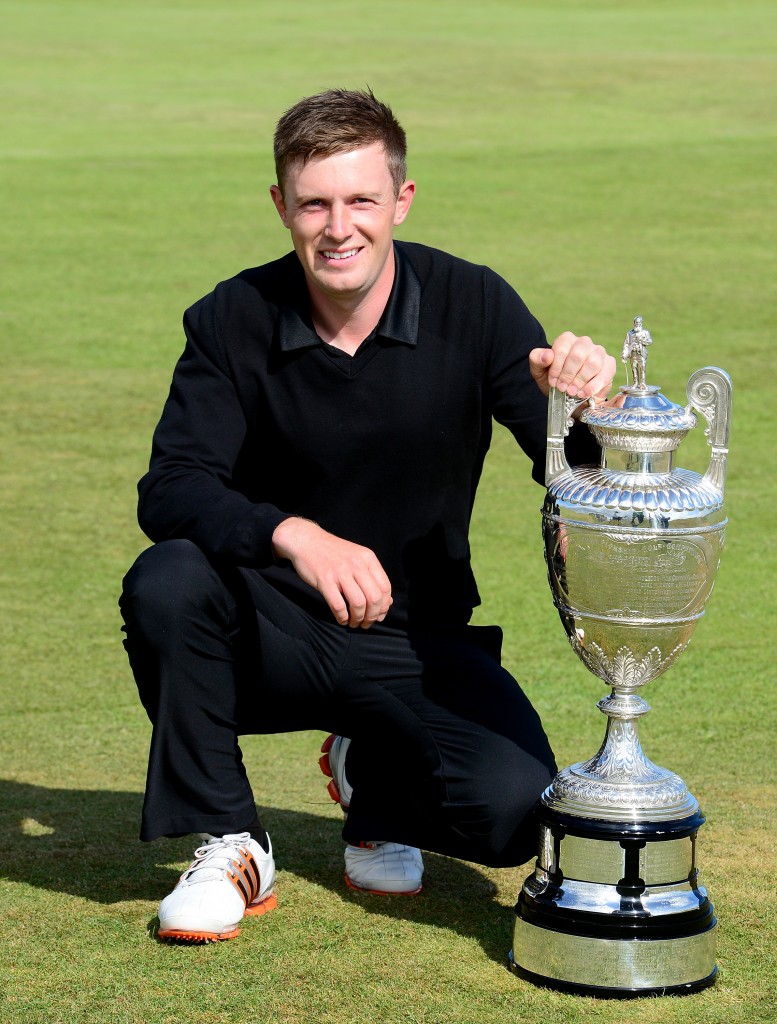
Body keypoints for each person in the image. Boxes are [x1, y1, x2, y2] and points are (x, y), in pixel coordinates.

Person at [119, 88, 616, 943]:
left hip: (416, 636)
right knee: (166, 581)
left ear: (402, 201)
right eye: (313, 202)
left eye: (360, 200)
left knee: (508, 815)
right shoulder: (230, 317)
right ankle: (233, 840)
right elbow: (170, 487)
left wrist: (581, 411)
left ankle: (371, 778)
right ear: (281, 205)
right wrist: (294, 535)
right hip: (263, 628)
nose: (337, 227)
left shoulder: (476, 304)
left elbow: (568, 470)